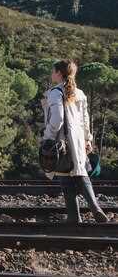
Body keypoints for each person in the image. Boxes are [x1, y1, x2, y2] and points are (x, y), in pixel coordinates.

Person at [42, 60, 108, 223]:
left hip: (62, 141)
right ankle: (95, 208)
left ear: (58, 73)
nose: (52, 74)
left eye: (53, 71)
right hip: (78, 141)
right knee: (80, 172)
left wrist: (48, 136)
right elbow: (86, 119)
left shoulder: (56, 92)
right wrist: (88, 139)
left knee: (64, 177)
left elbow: (57, 119)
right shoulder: (80, 93)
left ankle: (74, 217)